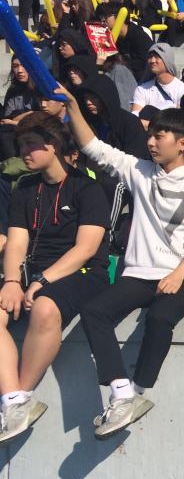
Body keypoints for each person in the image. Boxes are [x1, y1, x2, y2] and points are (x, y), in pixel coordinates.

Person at [59, 87, 184, 438]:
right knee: (94, 312)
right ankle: (122, 393)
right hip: (140, 273)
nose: (151, 141)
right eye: (150, 135)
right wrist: (72, 107)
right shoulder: (139, 171)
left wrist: (178, 274)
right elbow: (94, 148)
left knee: (160, 317)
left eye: (159, 135)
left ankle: (139, 389)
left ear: (182, 143)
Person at [0, 113, 110, 444]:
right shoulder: (25, 188)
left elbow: (86, 249)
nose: (24, 152)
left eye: (31, 144)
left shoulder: (88, 188)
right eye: (21, 145)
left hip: (82, 272)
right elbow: (16, 242)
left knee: (45, 308)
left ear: (54, 145)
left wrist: (41, 281)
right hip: (31, 273)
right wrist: (12, 282)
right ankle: (14, 400)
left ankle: (21, 396)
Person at [129, 44, 184, 115]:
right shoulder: (141, 89)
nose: (152, 60)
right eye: (150, 57)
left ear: (167, 60)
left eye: (157, 56)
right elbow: (136, 118)